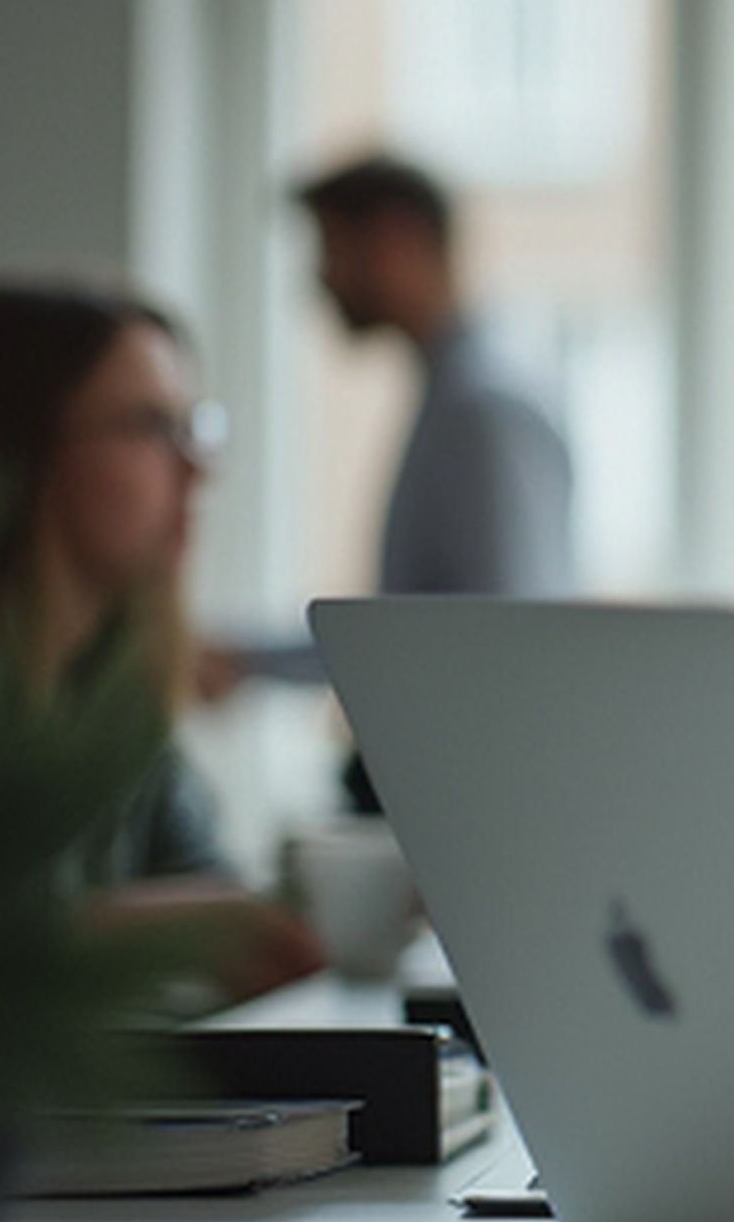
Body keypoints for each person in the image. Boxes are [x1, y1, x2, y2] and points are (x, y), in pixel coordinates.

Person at [0, 278, 323, 1001]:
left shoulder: (114, 697)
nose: (197, 468)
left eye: (196, 427)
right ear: (14, 448)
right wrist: (146, 934)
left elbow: (214, 899)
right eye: (152, 427)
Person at [204, 153, 576, 804]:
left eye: (330, 248)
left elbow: (495, 642)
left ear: (395, 240)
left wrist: (253, 663)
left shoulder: (482, 409)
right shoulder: (457, 397)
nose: (318, 281)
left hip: (474, 801)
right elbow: (420, 627)